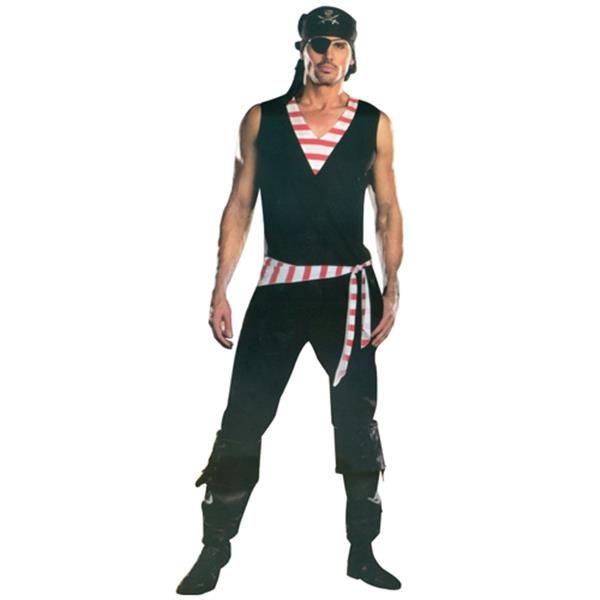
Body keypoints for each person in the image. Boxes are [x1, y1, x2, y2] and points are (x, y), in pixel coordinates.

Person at [176, 5, 404, 595]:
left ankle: (362, 551)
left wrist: (393, 283)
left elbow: (386, 209)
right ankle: (213, 549)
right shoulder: (263, 119)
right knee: (243, 418)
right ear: (302, 49)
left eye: (339, 45)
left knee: (356, 420)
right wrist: (220, 286)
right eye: (318, 43)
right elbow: (239, 204)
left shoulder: (373, 123)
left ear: (352, 55)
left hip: (349, 293)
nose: (328, 55)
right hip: (279, 288)